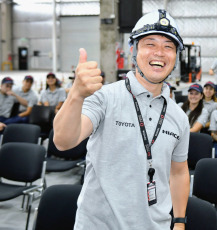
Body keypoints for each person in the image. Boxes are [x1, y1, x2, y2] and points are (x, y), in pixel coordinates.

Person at [53, 9, 189, 230]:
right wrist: (76, 94)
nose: (160, 53)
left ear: (175, 57)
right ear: (133, 50)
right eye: (150, 44)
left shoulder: (179, 116)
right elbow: (63, 141)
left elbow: (179, 171)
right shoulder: (105, 97)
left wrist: (180, 221)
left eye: (168, 47)